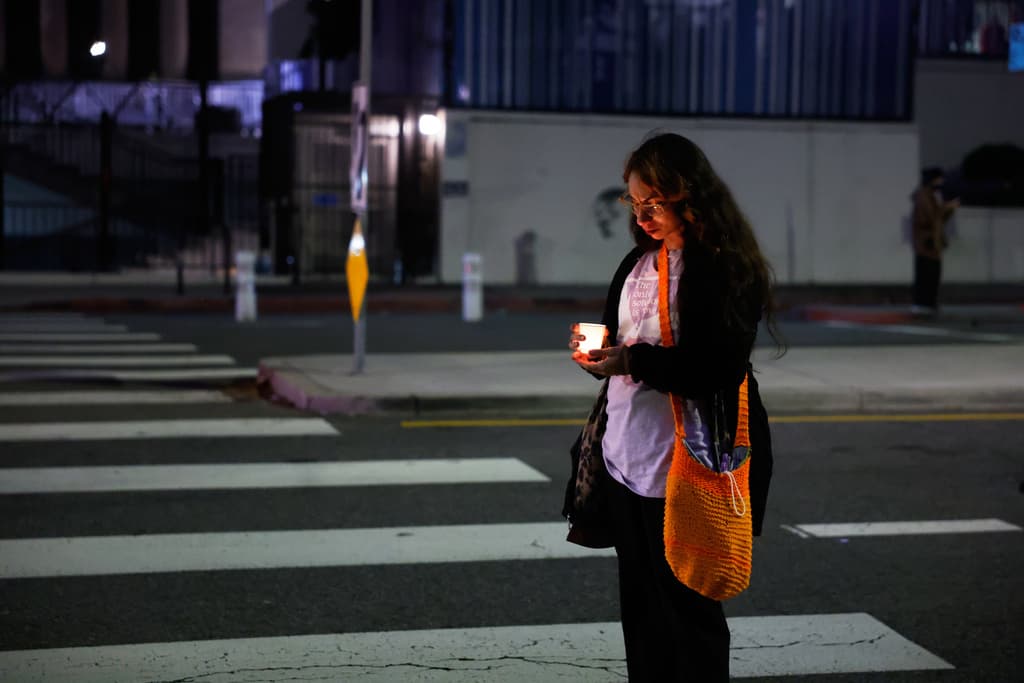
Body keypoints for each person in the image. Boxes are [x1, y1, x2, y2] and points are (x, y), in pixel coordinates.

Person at [567, 132, 776, 681]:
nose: (643, 215)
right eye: (634, 204)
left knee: (690, 613)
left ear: (689, 194)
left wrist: (634, 362)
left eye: (653, 203)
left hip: (690, 465)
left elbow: (718, 369)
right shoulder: (637, 264)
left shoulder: (723, 270)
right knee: (641, 614)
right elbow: (625, 346)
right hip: (623, 460)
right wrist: (600, 356)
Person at [911, 167, 959, 317]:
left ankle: (928, 304)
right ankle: (923, 304)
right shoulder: (924, 195)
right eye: (939, 179)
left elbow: (939, 219)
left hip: (931, 241)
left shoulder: (931, 195)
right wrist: (947, 208)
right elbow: (933, 217)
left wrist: (949, 209)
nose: (941, 182)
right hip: (927, 242)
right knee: (927, 274)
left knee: (932, 274)